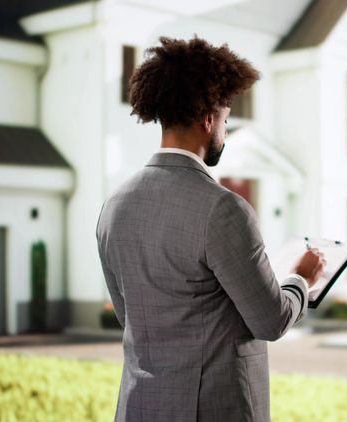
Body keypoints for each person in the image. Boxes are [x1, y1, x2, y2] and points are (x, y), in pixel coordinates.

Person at [95, 36, 325, 422]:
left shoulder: (114, 204)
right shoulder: (223, 208)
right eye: (225, 120)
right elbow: (271, 321)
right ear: (208, 120)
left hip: (138, 408)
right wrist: (301, 279)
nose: (226, 132)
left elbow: (131, 315)